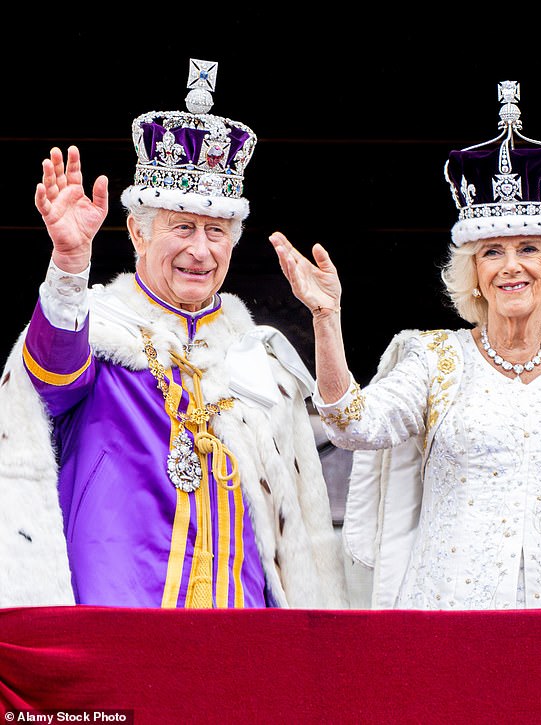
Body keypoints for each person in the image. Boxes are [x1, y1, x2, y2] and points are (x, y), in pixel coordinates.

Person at [269, 79, 541, 610]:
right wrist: (327, 317)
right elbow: (352, 425)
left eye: (528, 248)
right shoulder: (436, 358)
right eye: (491, 253)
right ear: (474, 273)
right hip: (451, 619)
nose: (512, 266)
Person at [0, 58, 348, 610]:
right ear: (137, 230)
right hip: (117, 610)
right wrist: (69, 265)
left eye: (216, 231)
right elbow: (50, 374)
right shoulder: (98, 330)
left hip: (242, 624)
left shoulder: (257, 358)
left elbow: (295, 527)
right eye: (182, 227)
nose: (200, 250)